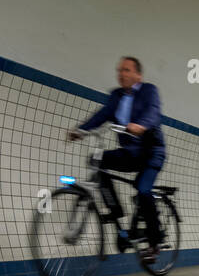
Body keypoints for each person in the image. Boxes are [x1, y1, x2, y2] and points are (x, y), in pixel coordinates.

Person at [68, 56, 166, 261]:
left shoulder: (149, 90)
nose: (122, 74)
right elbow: (101, 115)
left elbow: (153, 112)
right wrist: (81, 130)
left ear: (138, 74)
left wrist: (142, 125)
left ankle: (155, 243)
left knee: (143, 189)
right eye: (119, 70)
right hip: (130, 152)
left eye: (127, 70)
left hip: (151, 153)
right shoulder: (116, 96)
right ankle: (115, 210)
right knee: (97, 161)